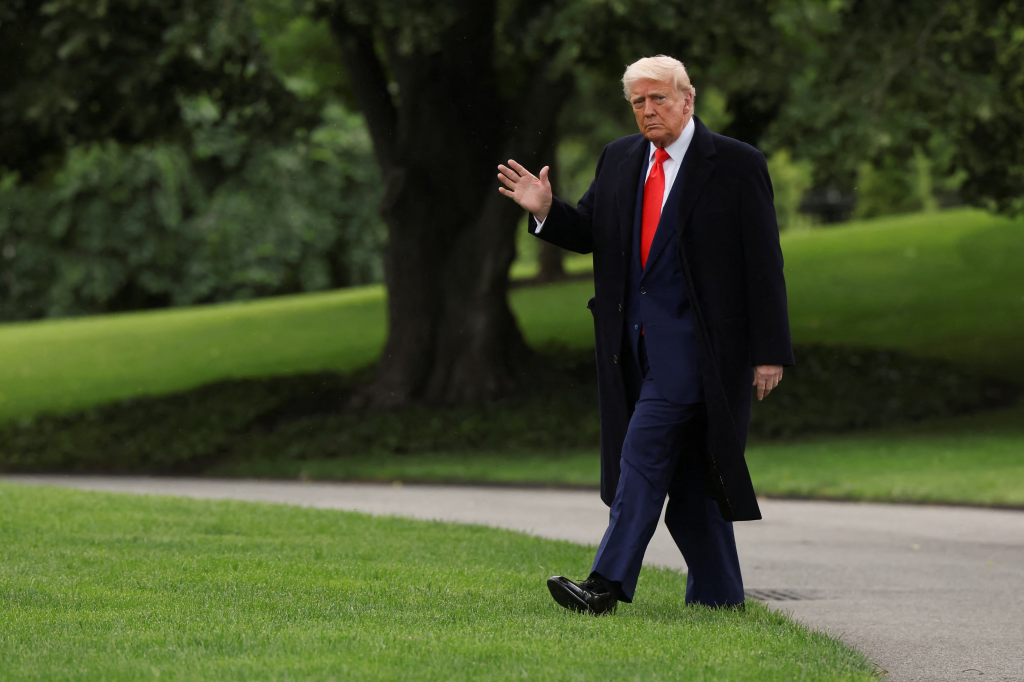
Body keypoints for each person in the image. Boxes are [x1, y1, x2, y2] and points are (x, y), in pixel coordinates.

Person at [497, 55, 794, 615]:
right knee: (688, 481)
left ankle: (604, 585)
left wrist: (770, 351)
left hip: (699, 349)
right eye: (638, 101)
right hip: (629, 349)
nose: (648, 110)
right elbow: (591, 231)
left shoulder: (735, 163)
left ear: (688, 98)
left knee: (643, 450)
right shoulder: (619, 158)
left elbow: (763, 263)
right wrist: (545, 212)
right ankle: (719, 598)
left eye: (659, 97)